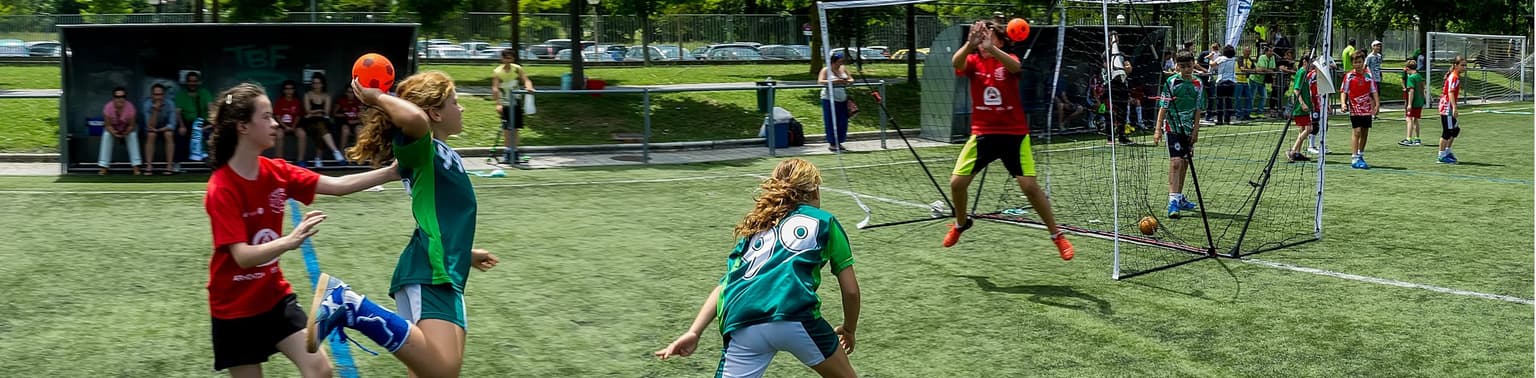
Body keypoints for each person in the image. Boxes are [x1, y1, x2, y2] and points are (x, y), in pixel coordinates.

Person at [307, 71, 502, 377]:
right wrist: (377, 98)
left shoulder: (441, 153)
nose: (461, 108)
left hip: (445, 266)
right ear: (435, 113)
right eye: (455, 102)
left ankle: (350, 305)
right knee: (442, 370)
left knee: (433, 371)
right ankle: (348, 304)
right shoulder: (422, 148)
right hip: (431, 270)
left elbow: (442, 218)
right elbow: (414, 119)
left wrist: (465, 253)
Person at [202, 82, 400, 377]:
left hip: (273, 298)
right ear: (243, 127)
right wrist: (289, 241)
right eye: (266, 117)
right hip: (233, 309)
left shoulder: (277, 171)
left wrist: (393, 172)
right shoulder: (221, 187)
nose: (275, 123)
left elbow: (337, 186)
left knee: (320, 370)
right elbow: (242, 256)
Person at [653, 158, 861, 378]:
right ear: (815, 190)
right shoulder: (825, 222)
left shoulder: (758, 226)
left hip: (743, 321)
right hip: (794, 314)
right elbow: (851, 291)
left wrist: (694, 331)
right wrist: (849, 329)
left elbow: (725, 285)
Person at [942, 20, 1075, 259]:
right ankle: (961, 223)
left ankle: (1057, 235)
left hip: (1014, 135)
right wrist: (969, 44)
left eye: (988, 34)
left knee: (1030, 187)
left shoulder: (1008, 58)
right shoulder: (972, 61)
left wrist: (992, 49)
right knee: (956, 184)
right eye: (980, 34)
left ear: (1000, 41)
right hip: (983, 134)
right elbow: (956, 63)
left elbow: (1015, 67)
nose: (983, 38)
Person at [1153, 51, 1205, 218]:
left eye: (1189, 66)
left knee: (1185, 162)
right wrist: (1158, 129)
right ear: (1177, 66)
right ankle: (1173, 201)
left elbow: (1198, 109)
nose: (1186, 69)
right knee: (1176, 162)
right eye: (1182, 66)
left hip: (1188, 129)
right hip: (1173, 127)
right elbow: (1163, 107)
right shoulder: (1171, 82)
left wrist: (1196, 130)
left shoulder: (1198, 83)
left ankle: (1179, 197)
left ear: (1193, 64)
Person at [491, 48, 535, 165]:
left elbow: (526, 80)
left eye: (510, 58)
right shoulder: (497, 71)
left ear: (513, 59)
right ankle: (507, 152)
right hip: (505, 102)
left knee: (515, 128)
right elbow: (495, 88)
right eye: (506, 58)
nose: (508, 60)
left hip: (516, 101)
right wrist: (498, 104)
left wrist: (529, 87)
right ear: (502, 59)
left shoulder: (517, 68)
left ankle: (515, 152)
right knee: (507, 128)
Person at [1340, 50, 1379, 169]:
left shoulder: (1368, 75)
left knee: (1365, 131)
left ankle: (1361, 154)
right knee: (1356, 131)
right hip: (1355, 107)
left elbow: (1374, 90)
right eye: (1355, 62)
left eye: (1360, 62)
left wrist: (1377, 104)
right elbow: (1344, 91)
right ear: (1352, 63)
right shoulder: (1349, 76)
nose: (1357, 64)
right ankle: (1354, 157)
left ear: (1363, 62)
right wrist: (1343, 103)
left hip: (1366, 108)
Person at [300, 73, 347, 168]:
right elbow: (307, 111)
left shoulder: (326, 96)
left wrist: (314, 112)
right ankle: (333, 152)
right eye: (314, 83)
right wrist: (319, 111)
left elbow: (326, 112)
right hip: (309, 123)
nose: (316, 85)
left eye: (318, 83)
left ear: (322, 84)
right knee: (321, 127)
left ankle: (319, 158)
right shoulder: (308, 95)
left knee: (321, 128)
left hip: (323, 121)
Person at [99, 86, 142, 175]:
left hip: (127, 129)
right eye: (117, 97)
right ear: (113, 98)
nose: (120, 99)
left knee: (132, 135)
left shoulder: (130, 107)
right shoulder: (108, 107)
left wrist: (125, 134)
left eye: (122, 96)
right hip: (113, 129)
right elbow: (107, 125)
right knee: (107, 135)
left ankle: (136, 167)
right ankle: (103, 167)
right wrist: (115, 133)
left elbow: (132, 125)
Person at [1285, 54, 1320, 162]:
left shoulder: (1305, 73)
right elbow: (1296, 90)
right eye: (1311, 62)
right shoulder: (1301, 72)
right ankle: (1292, 151)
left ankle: (1297, 153)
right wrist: (1302, 103)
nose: (1312, 65)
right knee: (1309, 129)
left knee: (1302, 130)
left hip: (1304, 106)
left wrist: (1309, 102)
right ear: (1305, 62)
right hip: (1300, 107)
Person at [141, 83, 180, 175]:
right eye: (156, 94)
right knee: (151, 135)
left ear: (164, 95)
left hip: (165, 128)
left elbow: (172, 124)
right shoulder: (147, 104)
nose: (158, 97)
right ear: (152, 95)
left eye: (160, 94)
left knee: (168, 134)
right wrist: (155, 110)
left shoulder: (170, 103)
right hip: (152, 128)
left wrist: (160, 130)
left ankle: (169, 166)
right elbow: (149, 126)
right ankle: (149, 166)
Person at [819, 51, 854, 152]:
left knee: (842, 121)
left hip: (842, 98)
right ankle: (832, 143)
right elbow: (820, 81)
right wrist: (834, 81)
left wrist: (847, 81)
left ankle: (839, 141)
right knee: (831, 121)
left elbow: (851, 79)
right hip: (829, 99)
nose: (841, 63)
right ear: (833, 61)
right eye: (839, 61)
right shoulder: (826, 70)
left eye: (842, 61)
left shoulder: (843, 69)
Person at [177, 72, 215, 163]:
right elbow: (178, 112)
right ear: (186, 82)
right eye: (190, 81)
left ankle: (209, 161)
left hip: (203, 122)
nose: (192, 83)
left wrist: (211, 124)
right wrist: (181, 126)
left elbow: (211, 108)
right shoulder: (181, 95)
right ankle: (183, 163)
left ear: (199, 82)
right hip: (187, 123)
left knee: (211, 133)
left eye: (195, 81)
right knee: (180, 135)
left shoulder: (204, 92)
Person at [1436, 56, 1466, 164]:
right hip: (1447, 107)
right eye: (1462, 65)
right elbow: (1450, 92)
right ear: (1456, 65)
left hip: (1449, 106)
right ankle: (1441, 156)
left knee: (1455, 129)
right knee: (1447, 132)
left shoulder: (1455, 76)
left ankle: (1447, 151)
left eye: (1465, 65)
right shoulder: (1454, 77)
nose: (1464, 67)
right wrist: (1454, 107)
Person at [272, 80, 303, 160]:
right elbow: (277, 116)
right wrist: (285, 126)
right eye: (286, 89)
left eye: (291, 89)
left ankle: (300, 160)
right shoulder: (280, 101)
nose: (289, 91)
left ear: (294, 90)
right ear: (283, 90)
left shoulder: (297, 101)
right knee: (279, 134)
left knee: (302, 133)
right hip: (282, 126)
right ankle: (279, 161)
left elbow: (298, 116)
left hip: (294, 126)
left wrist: (293, 126)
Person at [1399, 60, 1426, 147]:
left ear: (1407, 68)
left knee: (1409, 118)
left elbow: (1411, 91)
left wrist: (1409, 104)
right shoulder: (1418, 76)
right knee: (1416, 120)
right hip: (1419, 101)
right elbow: (1423, 88)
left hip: (1414, 102)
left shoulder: (1411, 77)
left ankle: (1408, 139)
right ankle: (1417, 138)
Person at [1212, 45, 1237, 125]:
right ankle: (1227, 119)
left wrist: (1211, 58)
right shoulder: (1234, 59)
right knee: (1228, 101)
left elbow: (1212, 64)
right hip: (1231, 82)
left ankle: (1219, 120)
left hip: (1221, 81)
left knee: (1219, 101)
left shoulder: (1221, 58)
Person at [1255, 47, 1278, 118]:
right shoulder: (1262, 57)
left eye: (1272, 51)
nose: (1272, 52)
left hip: (1262, 81)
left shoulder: (1273, 57)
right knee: (1252, 96)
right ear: (1266, 52)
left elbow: (1272, 68)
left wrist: (1267, 70)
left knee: (1264, 96)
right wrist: (1269, 70)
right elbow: (1262, 68)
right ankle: (1249, 112)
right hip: (1255, 79)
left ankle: (1260, 112)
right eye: (1270, 51)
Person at [1235, 46, 1255, 121]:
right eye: (1246, 51)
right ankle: (1238, 115)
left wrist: (1251, 70)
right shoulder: (1240, 59)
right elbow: (1242, 69)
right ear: (1243, 52)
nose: (1248, 53)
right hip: (1238, 81)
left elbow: (1255, 69)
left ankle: (1247, 114)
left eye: (1249, 51)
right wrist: (1251, 71)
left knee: (1249, 98)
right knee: (1238, 99)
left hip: (1246, 81)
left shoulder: (1250, 60)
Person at [1366, 41, 1384, 119]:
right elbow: (1365, 66)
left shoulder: (1379, 56)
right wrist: (1368, 75)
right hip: (1371, 79)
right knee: (1372, 96)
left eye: (1379, 46)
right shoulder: (1369, 57)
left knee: (1377, 95)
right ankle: (1372, 112)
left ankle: (1376, 111)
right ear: (1372, 47)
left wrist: (1380, 74)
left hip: (1377, 78)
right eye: (1376, 46)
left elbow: (1379, 67)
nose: (1378, 48)